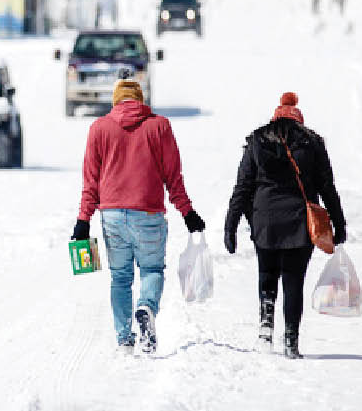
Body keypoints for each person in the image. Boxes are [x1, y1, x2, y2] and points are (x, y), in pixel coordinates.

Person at [72, 76, 205, 354]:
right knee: (152, 270)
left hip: (112, 217)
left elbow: (91, 181)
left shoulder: (99, 128)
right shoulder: (160, 126)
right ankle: (146, 307)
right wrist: (188, 212)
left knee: (120, 277)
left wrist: (83, 220)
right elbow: (173, 177)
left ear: (115, 100)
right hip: (148, 214)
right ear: (140, 100)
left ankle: (124, 339)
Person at [224, 92, 346, 359]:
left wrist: (230, 225)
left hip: (264, 221)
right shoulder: (313, 143)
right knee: (294, 280)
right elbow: (327, 187)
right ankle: (291, 339)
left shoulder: (256, 140)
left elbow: (243, 186)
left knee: (267, 274)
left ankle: (265, 330)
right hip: (300, 222)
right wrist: (338, 223)